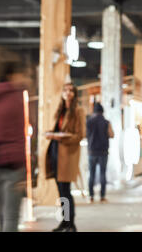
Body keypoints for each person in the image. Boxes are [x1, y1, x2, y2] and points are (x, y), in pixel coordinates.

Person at [0, 61, 28, 232]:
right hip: (13, 165)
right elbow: (20, 134)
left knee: (0, 215)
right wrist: (24, 169)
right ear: (12, 75)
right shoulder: (15, 98)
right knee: (11, 217)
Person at [45, 82, 85, 232]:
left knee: (66, 190)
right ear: (62, 93)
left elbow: (80, 135)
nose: (68, 93)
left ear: (74, 94)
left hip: (67, 155)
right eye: (65, 90)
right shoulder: (60, 111)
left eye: (71, 91)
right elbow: (56, 130)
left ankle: (70, 224)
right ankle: (65, 221)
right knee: (60, 191)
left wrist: (60, 137)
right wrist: (51, 133)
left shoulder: (78, 111)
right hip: (55, 153)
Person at [86, 102, 114, 203]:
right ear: (102, 111)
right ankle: (102, 196)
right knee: (103, 174)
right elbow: (112, 135)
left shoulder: (89, 121)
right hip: (103, 151)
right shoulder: (106, 122)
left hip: (91, 151)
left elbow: (85, 134)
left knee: (91, 174)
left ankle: (91, 196)